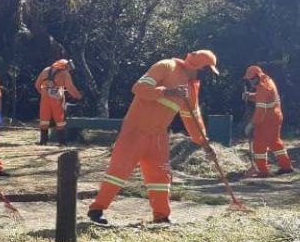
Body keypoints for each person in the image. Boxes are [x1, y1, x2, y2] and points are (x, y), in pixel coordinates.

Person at [87, 50, 221, 226]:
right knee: (119, 171)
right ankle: (96, 210)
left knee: (161, 176)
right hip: (135, 131)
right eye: (207, 71)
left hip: (158, 136)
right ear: (197, 66)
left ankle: (161, 216)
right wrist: (167, 91)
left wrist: (204, 143)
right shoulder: (166, 66)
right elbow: (139, 88)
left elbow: (193, 119)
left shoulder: (191, 88)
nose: (207, 77)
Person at [242, 65, 294, 176]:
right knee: (274, 142)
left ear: (257, 76)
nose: (250, 82)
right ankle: (286, 167)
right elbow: (263, 97)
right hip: (274, 117)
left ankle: (263, 170)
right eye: (249, 79)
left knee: (260, 144)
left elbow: (260, 110)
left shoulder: (263, 87)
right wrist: (251, 96)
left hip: (268, 120)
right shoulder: (266, 81)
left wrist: (251, 124)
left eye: (251, 79)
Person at [35, 59, 82, 145]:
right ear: (66, 66)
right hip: (57, 97)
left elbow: (37, 85)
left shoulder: (46, 70)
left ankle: (43, 141)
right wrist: (79, 96)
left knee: (44, 118)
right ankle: (62, 141)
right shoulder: (65, 73)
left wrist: (44, 93)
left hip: (45, 96)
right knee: (60, 119)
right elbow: (70, 88)